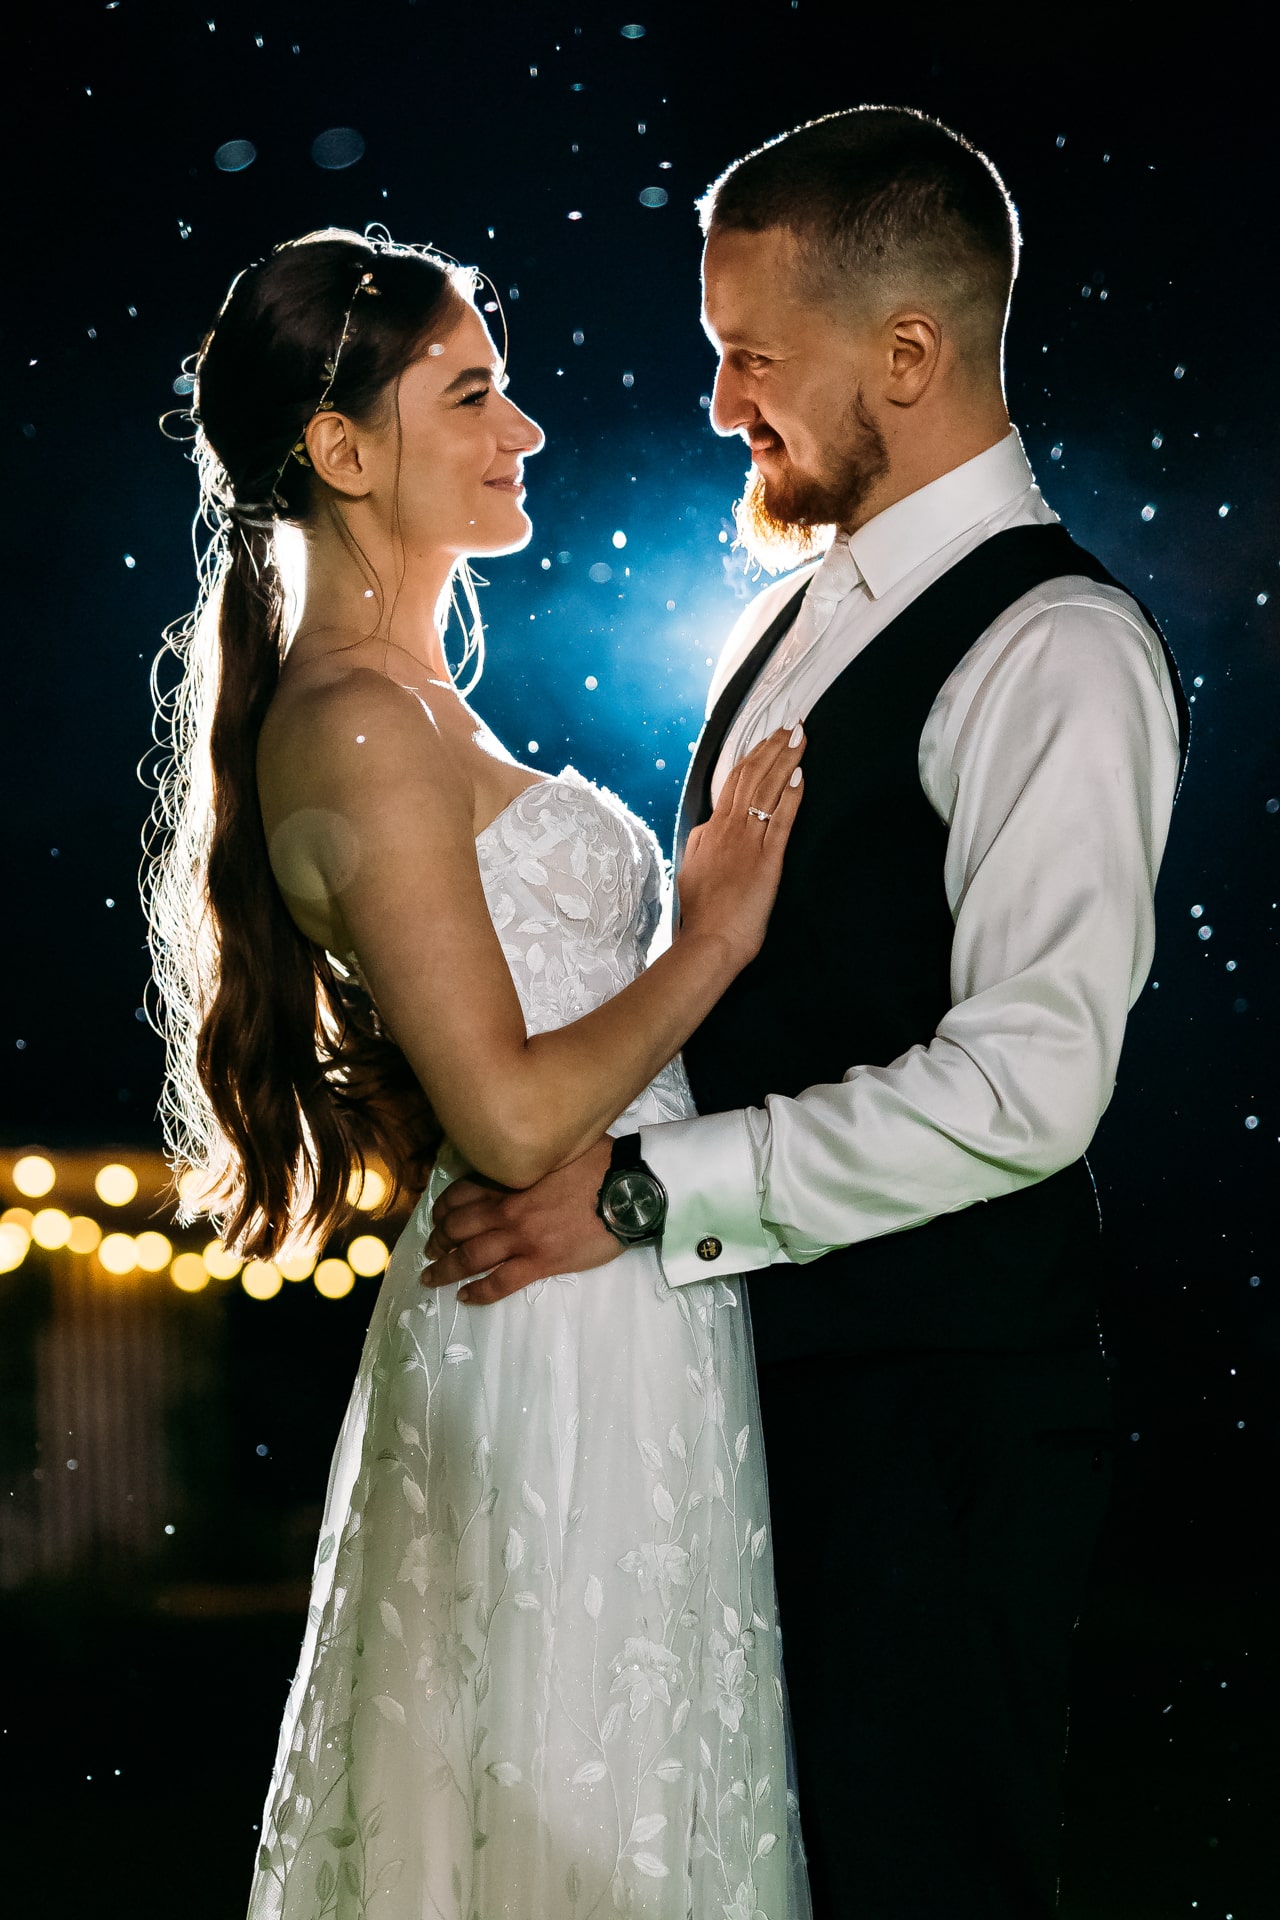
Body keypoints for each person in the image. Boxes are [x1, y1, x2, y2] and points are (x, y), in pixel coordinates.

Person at [422, 108, 1191, 1919]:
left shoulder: (1057, 649)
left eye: (751, 358)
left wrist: (640, 1193)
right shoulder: (792, 617)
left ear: (908, 354)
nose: (720, 407)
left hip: (935, 1430)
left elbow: (1031, 1085)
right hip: (754, 1397)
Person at [144, 228, 813, 1918]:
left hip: (621, 1300)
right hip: (547, 1330)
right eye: (470, 395)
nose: (522, 430)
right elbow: (509, 1117)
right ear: (341, 447)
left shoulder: (418, 706)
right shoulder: (359, 723)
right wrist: (713, 937)